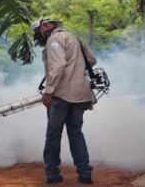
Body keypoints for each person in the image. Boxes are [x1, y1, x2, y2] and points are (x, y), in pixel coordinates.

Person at [30, 17, 97, 185]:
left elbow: (58, 65)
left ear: (44, 26)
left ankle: (52, 175)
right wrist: (76, 70)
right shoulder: (74, 38)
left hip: (61, 94)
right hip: (81, 94)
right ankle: (85, 174)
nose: (38, 36)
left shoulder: (53, 40)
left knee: (53, 135)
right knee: (76, 133)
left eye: (38, 32)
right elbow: (91, 60)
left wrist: (49, 91)